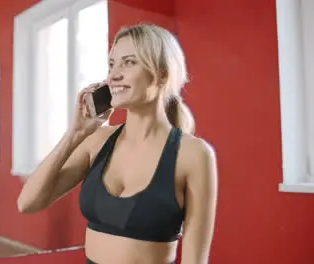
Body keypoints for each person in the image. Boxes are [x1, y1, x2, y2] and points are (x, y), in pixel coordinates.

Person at [17, 23, 218, 264]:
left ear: (162, 73)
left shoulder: (193, 155)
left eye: (129, 62)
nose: (113, 75)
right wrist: (74, 134)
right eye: (111, 64)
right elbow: (27, 203)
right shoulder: (98, 140)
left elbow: (195, 261)